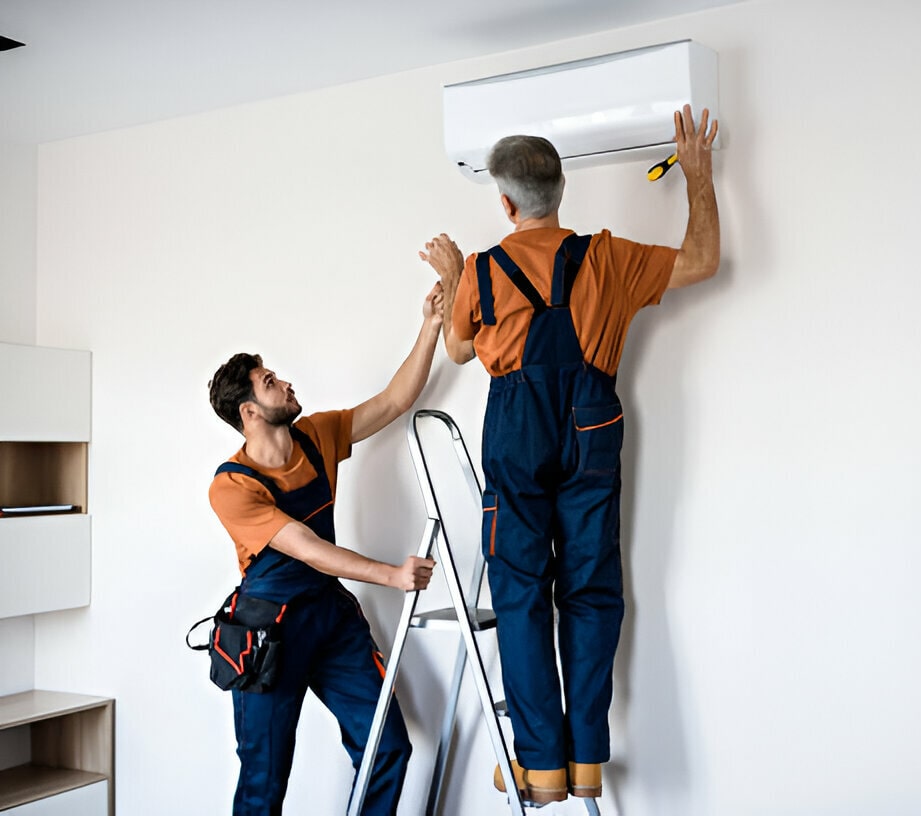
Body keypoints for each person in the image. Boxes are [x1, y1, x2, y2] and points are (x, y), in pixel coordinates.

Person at [419, 104, 719, 804]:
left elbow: (457, 350)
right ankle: (584, 760)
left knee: (521, 591)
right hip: (593, 422)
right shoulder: (610, 257)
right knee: (590, 588)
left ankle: (541, 764)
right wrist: (698, 176)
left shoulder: (483, 272)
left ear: (505, 203)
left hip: (516, 428)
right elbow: (703, 260)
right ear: (561, 190)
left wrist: (459, 274)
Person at [206, 283, 444, 815]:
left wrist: (430, 325)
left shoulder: (316, 436)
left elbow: (393, 401)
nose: (286, 383)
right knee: (264, 782)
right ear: (249, 411)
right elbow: (306, 547)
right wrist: (392, 575)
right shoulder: (232, 485)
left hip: (329, 618)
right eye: (270, 382)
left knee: (387, 747)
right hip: (268, 634)